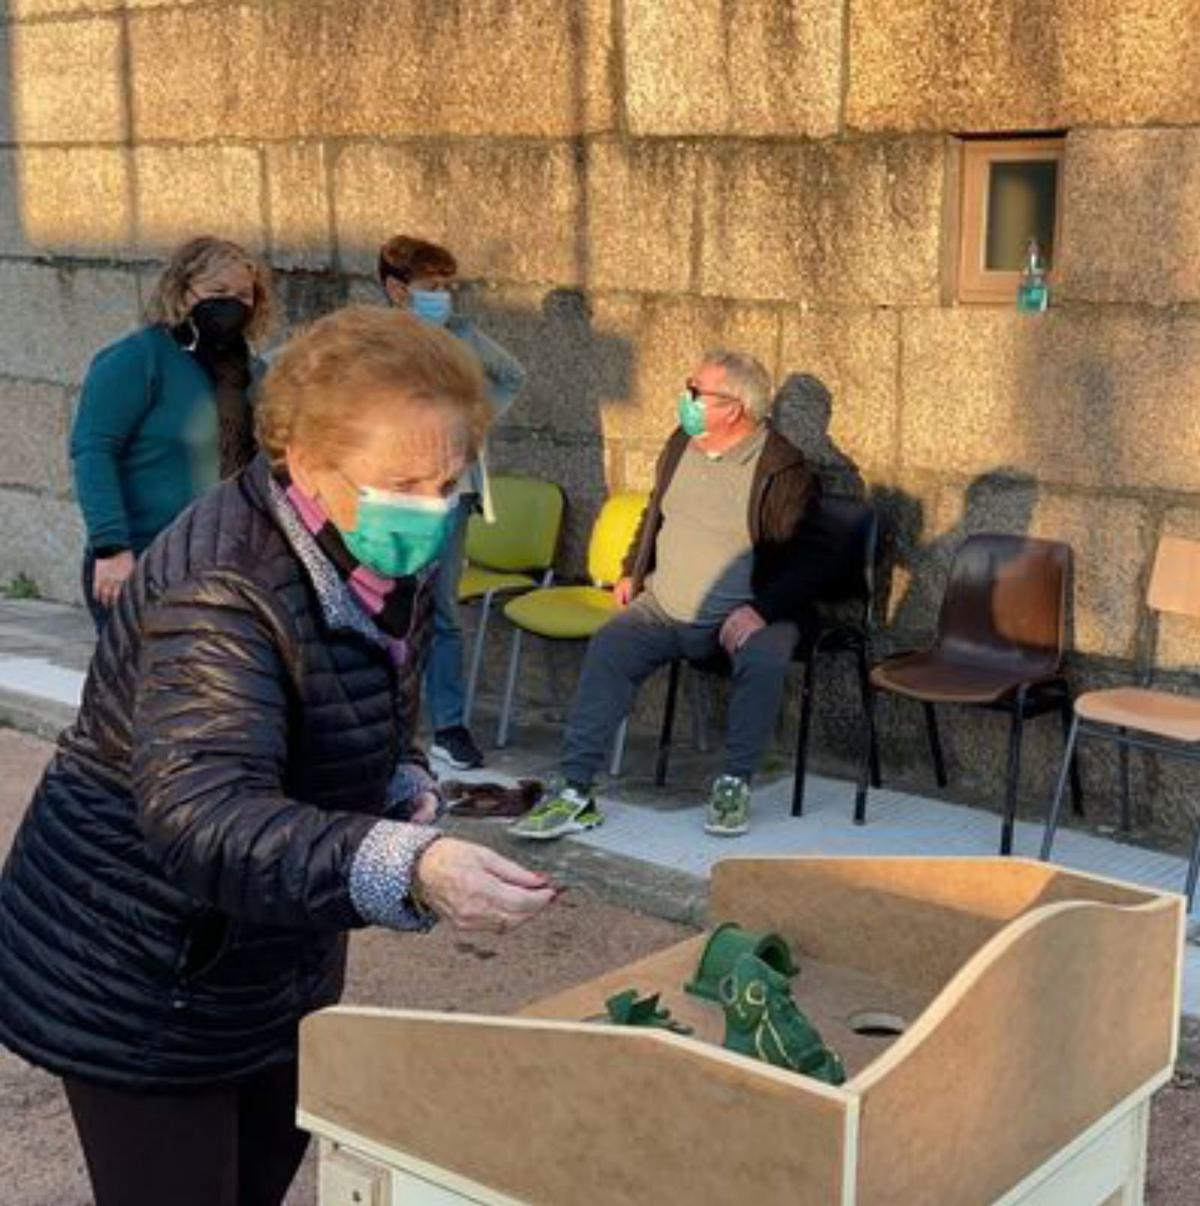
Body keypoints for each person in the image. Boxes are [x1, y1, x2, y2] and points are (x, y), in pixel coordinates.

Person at [0, 307, 556, 1206]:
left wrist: (402, 781)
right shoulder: (221, 587)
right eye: (401, 481)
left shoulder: (371, 560)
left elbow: (371, 703)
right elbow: (203, 813)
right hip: (145, 969)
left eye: (449, 482)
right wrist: (411, 863)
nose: (427, 509)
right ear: (302, 457)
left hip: (268, 950)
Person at [511, 350, 831, 841]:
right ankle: (575, 791)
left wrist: (760, 610)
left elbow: (808, 559)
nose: (687, 399)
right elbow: (655, 513)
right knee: (610, 645)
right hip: (663, 607)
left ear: (734, 408)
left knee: (766, 656)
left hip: (741, 615)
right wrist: (629, 573)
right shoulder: (682, 442)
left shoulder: (781, 468)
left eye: (697, 391)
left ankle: (734, 782)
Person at [70, 235, 273, 632]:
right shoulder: (139, 358)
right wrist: (112, 549)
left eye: (244, 295)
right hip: (143, 562)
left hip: (225, 565)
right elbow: (93, 450)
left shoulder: (252, 374)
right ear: (182, 294)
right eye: (217, 291)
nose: (232, 303)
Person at [379, 235, 528, 770]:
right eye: (430, 287)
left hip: (452, 495)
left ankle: (449, 726)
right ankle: (385, 721)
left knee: (442, 612)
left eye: (448, 287)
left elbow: (513, 375)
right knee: (382, 607)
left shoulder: (461, 335)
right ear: (397, 289)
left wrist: (474, 423)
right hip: (389, 495)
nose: (442, 297)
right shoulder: (371, 338)